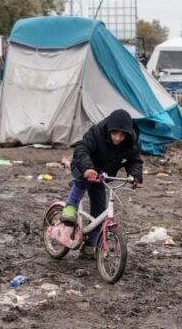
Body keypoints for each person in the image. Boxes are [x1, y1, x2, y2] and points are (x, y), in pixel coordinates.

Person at [61, 109, 143, 259]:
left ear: (128, 133)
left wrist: (135, 175)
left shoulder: (132, 143)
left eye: (122, 135)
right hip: (84, 166)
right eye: (114, 133)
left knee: (99, 210)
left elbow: (134, 161)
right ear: (109, 130)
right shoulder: (97, 132)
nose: (118, 138)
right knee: (82, 180)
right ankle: (69, 208)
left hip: (103, 175)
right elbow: (81, 149)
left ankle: (90, 246)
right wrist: (88, 168)